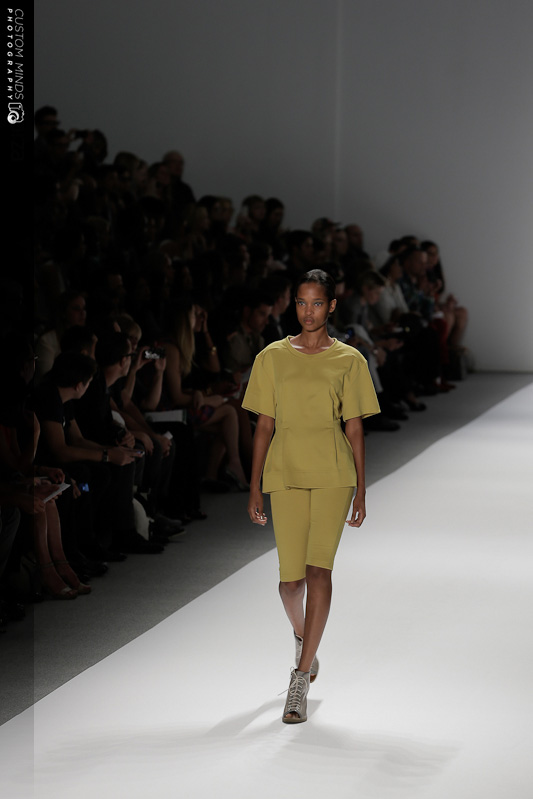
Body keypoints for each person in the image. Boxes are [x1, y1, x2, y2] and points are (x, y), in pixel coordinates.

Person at [242, 269, 380, 723]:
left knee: (319, 572)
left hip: (333, 474)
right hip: (285, 472)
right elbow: (263, 426)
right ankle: (305, 637)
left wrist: (361, 488)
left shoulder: (350, 360)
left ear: (332, 306)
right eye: (301, 302)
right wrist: (254, 485)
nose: (308, 311)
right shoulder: (271, 357)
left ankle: (299, 678)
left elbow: (354, 427)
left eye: (317, 303)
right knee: (290, 584)